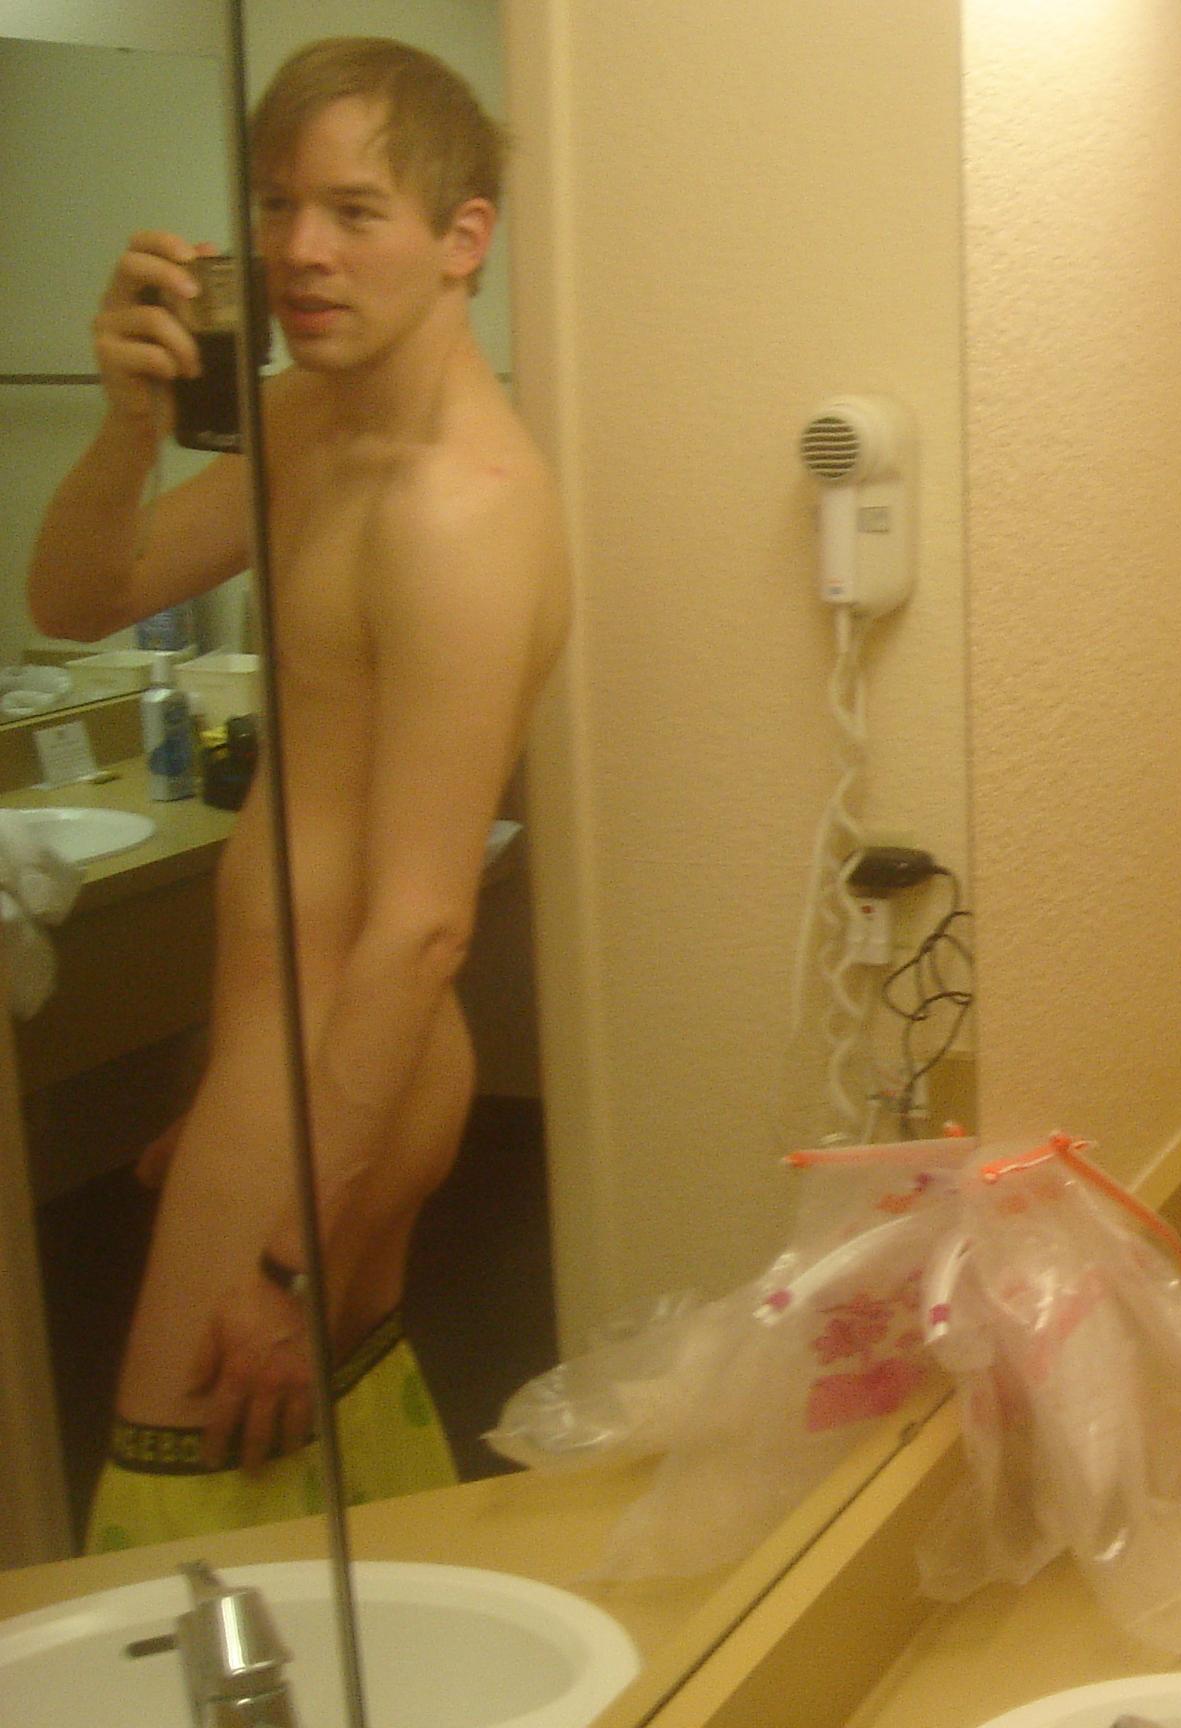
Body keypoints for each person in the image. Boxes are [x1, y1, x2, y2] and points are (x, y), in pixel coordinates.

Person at [26, 37, 569, 1550]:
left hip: (337, 1063)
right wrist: (128, 425)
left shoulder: (459, 512)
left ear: (463, 238)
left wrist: (284, 1256)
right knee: (315, 1510)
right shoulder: (309, 428)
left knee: (172, 1537)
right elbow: (79, 596)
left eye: (353, 211)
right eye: (276, 206)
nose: (300, 252)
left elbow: (421, 927)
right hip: (293, 1060)